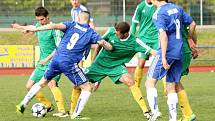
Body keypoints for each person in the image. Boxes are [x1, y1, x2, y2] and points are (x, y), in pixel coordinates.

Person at [15, 11, 113, 119]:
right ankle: (75, 114)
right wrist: (111, 47)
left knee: (42, 82)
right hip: (69, 63)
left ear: (78, 18)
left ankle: (23, 104)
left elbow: (53, 25)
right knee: (88, 87)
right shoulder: (91, 32)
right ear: (89, 21)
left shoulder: (71, 24)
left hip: (56, 59)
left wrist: (35, 29)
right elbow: (103, 43)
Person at [84, 22, 156, 119]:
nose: (116, 35)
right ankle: (72, 112)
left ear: (125, 33)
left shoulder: (135, 42)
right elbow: (100, 43)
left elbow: (151, 51)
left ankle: (146, 112)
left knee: (130, 81)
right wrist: (93, 61)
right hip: (100, 64)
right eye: (116, 33)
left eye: (118, 34)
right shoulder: (111, 31)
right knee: (78, 83)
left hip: (116, 66)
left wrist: (164, 56)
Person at [145, 0, 196, 121]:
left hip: (167, 52)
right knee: (171, 86)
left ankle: (155, 112)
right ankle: (172, 119)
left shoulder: (158, 13)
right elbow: (193, 24)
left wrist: (162, 56)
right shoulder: (177, 8)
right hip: (179, 52)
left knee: (149, 83)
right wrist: (189, 37)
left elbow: (163, 35)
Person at [11, 7, 67, 117]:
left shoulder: (54, 29)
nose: (40, 22)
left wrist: (47, 59)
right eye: (38, 20)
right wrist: (20, 27)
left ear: (47, 17)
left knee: (52, 84)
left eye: (42, 19)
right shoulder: (38, 26)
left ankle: (62, 111)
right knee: (29, 86)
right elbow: (31, 27)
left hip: (53, 62)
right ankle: (47, 105)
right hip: (41, 64)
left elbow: (59, 48)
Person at [131, 0, 159, 90]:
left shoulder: (158, 5)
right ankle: (136, 87)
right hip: (143, 39)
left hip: (156, 39)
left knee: (162, 62)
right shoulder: (140, 6)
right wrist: (131, 38)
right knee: (141, 63)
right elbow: (134, 24)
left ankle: (167, 89)